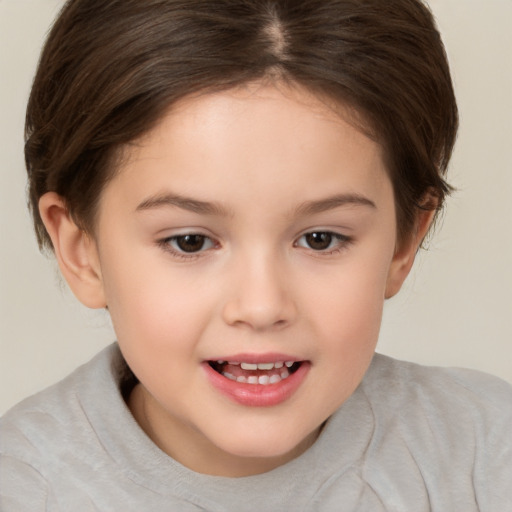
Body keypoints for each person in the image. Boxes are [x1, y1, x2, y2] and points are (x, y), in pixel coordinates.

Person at [1, 0, 511, 510]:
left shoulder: (485, 455)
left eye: (320, 239)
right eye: (190, 241)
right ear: (82, 249)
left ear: (403, 242)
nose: (262, 306)